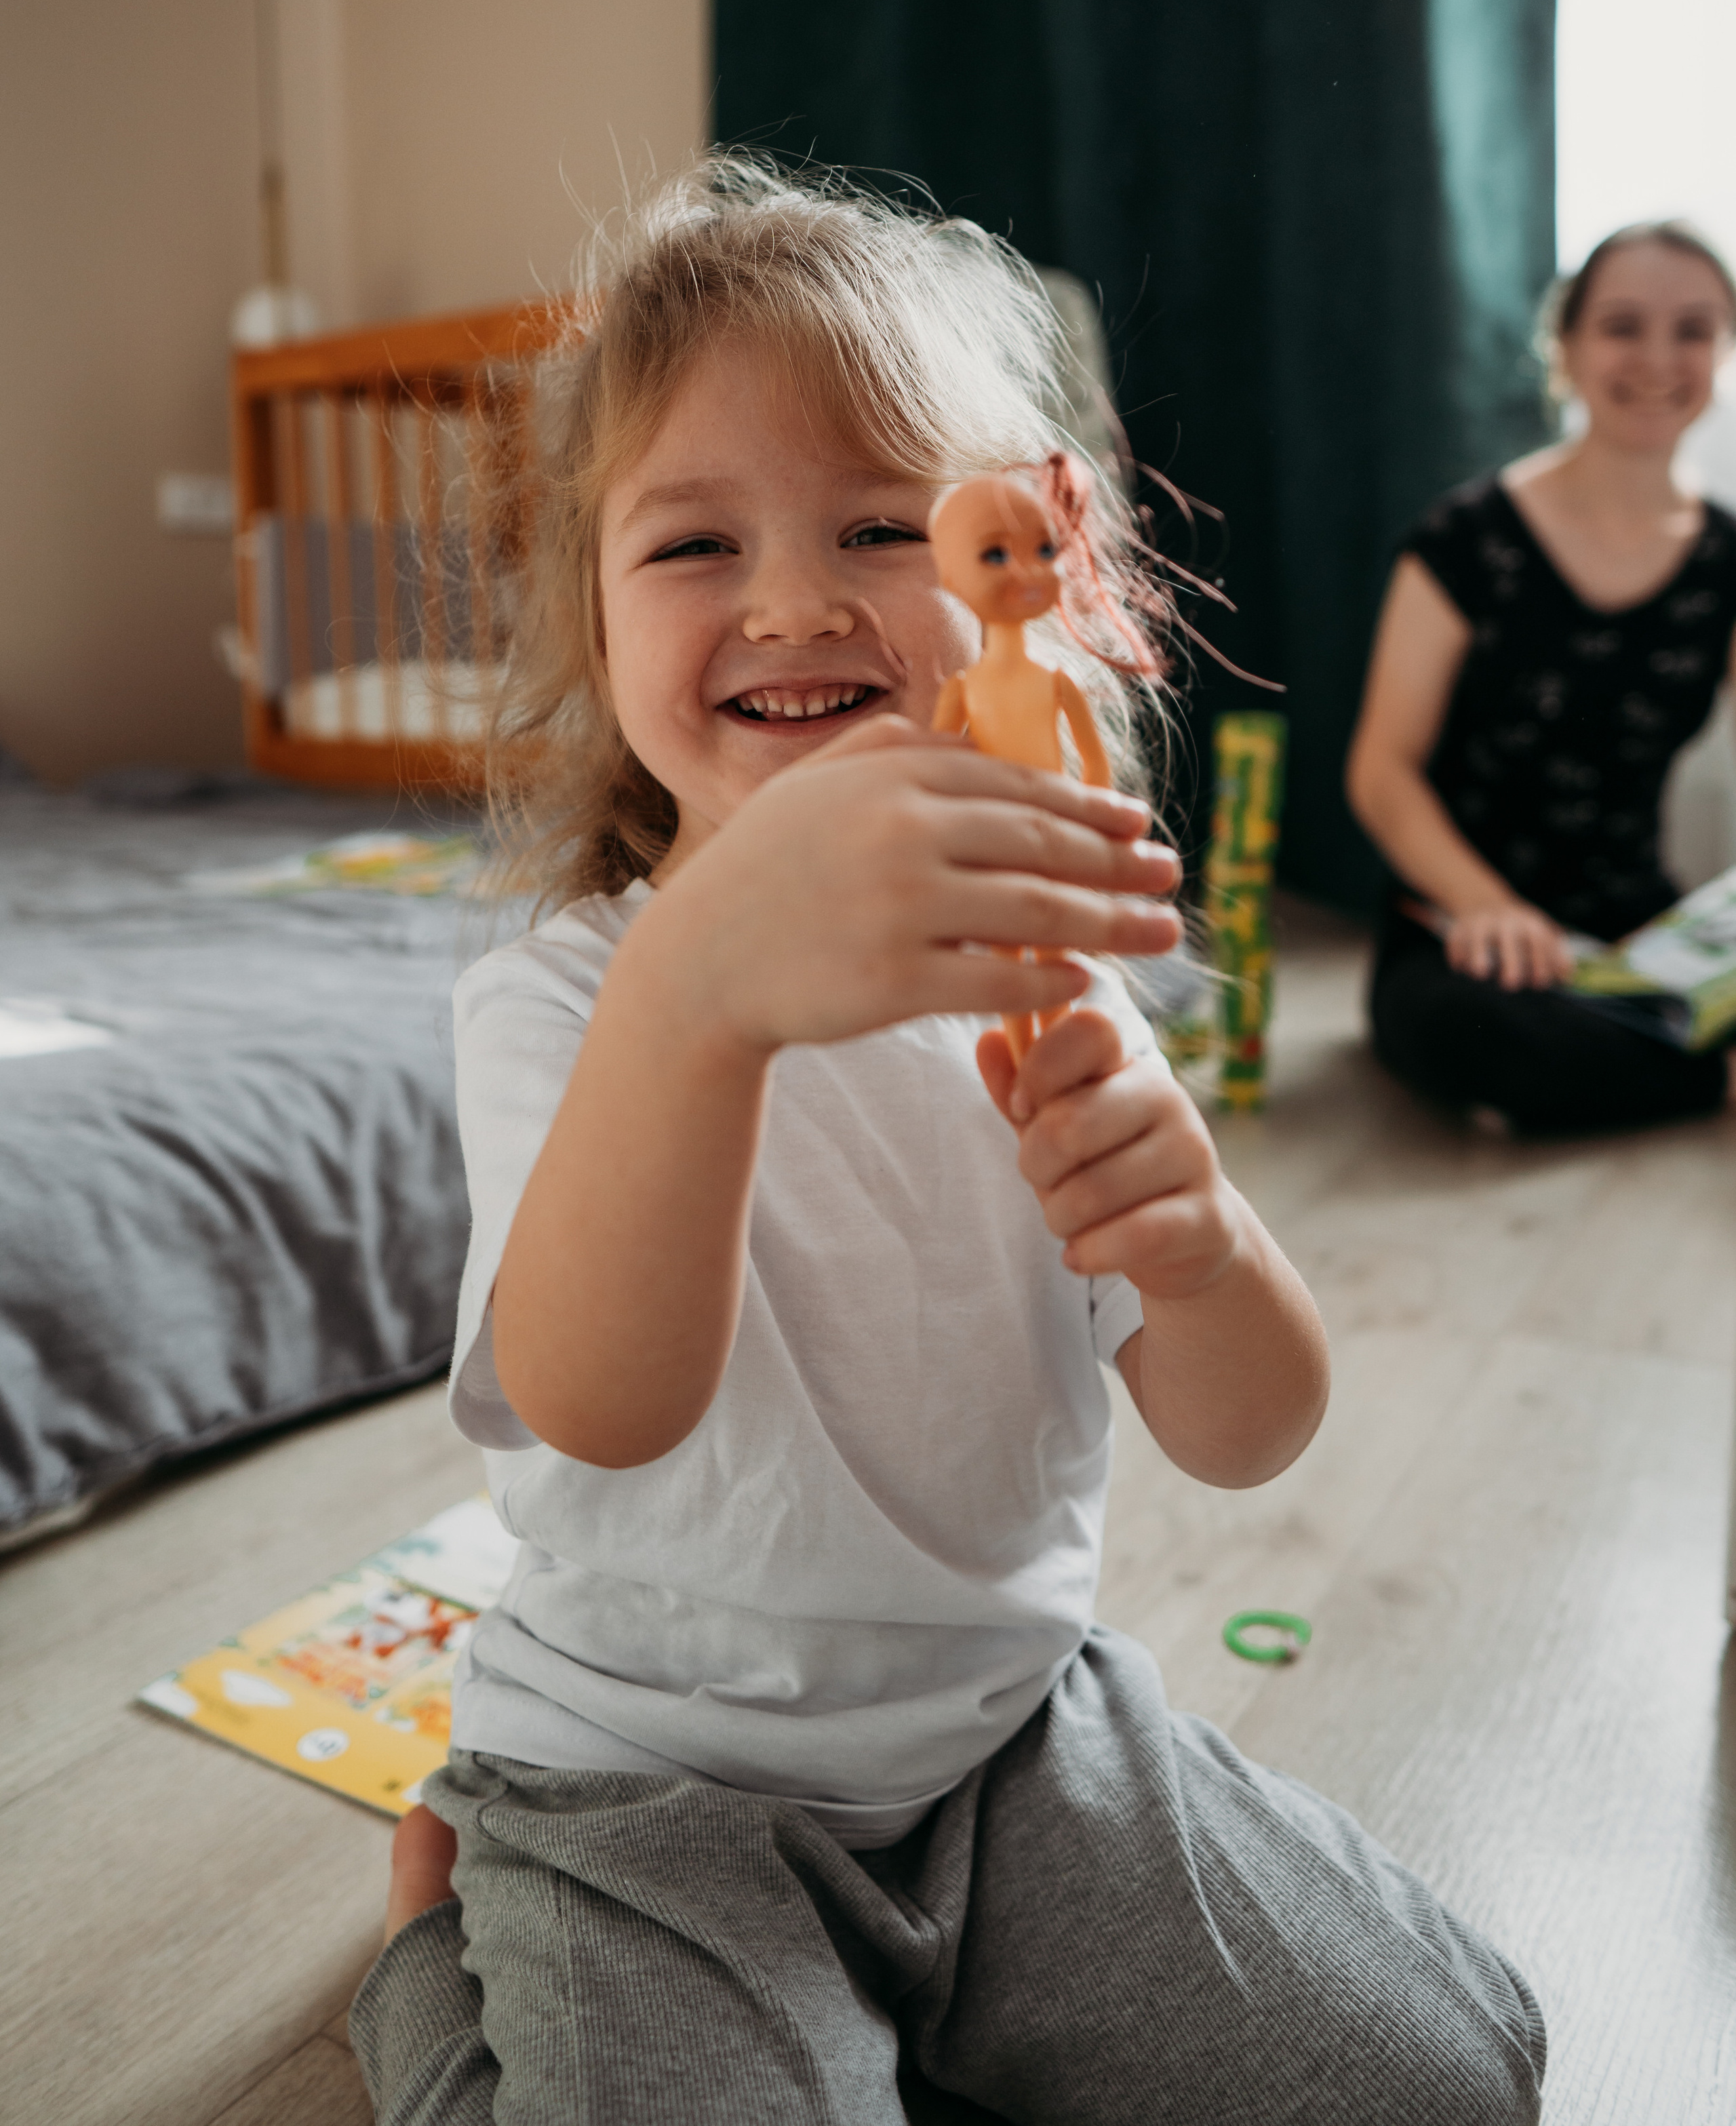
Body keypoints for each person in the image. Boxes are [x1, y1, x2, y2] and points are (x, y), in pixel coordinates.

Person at [350, 157, 1545, 2125]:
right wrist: (702, 997)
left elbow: (1248, 1430)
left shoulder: (1053, 982)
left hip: (1009, 1744)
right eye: (692, 547)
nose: (796, 600)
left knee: (1453, 2074)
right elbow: (599, 1403)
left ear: (1028, 568)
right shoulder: (575, 999)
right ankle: (432, 1963)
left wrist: (1199, 1242)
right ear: (589, 610)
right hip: (652, 1793)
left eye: (881, 524)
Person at [1348, 220, 1736, 1135]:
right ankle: (1706, 1078)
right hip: (1465, 928)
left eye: (1693, 329)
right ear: (1565, 346)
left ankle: (1653, 1056)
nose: (1658, 358)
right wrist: (1488, 908)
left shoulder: (1727, 557)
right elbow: (1382, 770)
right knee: (1472, 1035)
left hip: (1636, 924)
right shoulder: (1463, 540)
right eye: (1623, 325)